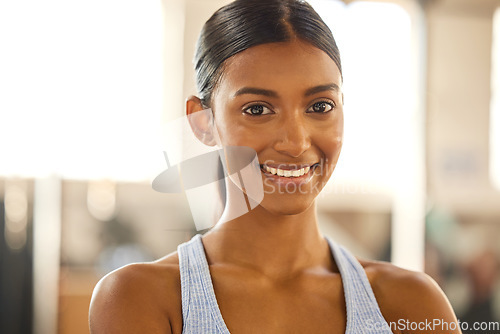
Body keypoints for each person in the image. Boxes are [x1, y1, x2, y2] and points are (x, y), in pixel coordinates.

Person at [89, 0, 462, 333]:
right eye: (257, 110)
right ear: (202, 122)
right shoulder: (141, 298)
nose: (296, 142)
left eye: (320, 106)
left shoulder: (412, 303)